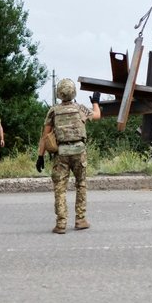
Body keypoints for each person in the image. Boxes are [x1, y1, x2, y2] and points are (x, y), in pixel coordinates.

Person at [35, 79, 101, 234]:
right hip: (79, 152)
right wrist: (96, 102)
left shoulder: (53, 111)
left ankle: (61, 224)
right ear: (73, 93)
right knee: (81, 185)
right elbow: (97, 115)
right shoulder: (80, 109)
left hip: (61, 154)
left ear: (59, 93)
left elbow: (45, 136)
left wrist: (40, 156)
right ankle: (80, 220)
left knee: (60, 188)